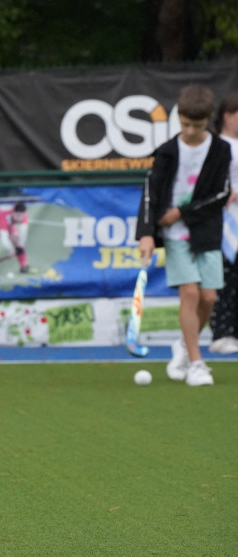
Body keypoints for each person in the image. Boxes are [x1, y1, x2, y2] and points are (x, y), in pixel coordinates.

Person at [137, 84, 233, 386]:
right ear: (178, 117)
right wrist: (147, 233)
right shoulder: (166, 151)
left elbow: (222, 193)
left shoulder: (221, 149)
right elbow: (151, 194)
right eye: (185, 124)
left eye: (197, 125)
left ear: (209, 121)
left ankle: (182, 344)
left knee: (209, 296)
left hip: (205, 229)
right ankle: (196, 362)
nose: (190, 131)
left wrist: (182, 212)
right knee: (190, 293)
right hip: (174, 233)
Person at [208, 91, 238, 355]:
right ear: (228, 116)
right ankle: (221, 332)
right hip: (225, 223)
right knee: (225, 277)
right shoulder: (218, 146)